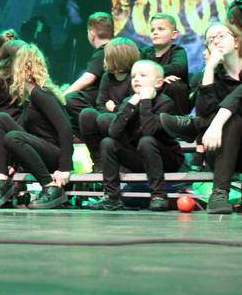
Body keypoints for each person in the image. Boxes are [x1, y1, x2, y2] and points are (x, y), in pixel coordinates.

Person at [160, 22, 242, 214]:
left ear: (237, 42)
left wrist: (214, 123)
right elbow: (205, 109)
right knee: (232, 118)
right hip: (223, 152)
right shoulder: (208, 76)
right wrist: (210, 68)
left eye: (221, 36)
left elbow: (240, 95)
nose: (215, 41)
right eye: (210, 40)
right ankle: (219, 194)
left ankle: (194, 126)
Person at [0, 43, 73, 209]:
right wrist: (12, 163)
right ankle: (2, 180)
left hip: (53, 154)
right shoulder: (29, 98)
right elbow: (24, 135)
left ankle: (50, 187)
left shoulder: (41, 93)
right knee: (0, 119)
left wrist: (65, 167)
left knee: (12, 137)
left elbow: (65, 128)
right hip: (38, 150)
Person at [87, 60, 183, 211]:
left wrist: (145, 100)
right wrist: (131, 103)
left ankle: (159, 195)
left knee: (146, 141)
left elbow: (149, 130)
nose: (136, 79)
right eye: (133, 76)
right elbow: (114, 132)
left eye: (142, 75)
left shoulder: (165, 102)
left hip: (166, 158)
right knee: (107, 142)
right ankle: (111, 197)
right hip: (140, 157)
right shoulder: (129, 101)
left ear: (158, 83)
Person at [78, 37, 139, 170]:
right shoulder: (107, 77)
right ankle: (98, 161)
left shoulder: (133, 77)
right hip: (107, 120)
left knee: (105, 119)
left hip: (127, 125)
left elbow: (130, 107)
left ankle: (123, 162)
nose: (104, 60)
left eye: (107, 57)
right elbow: (100, 104)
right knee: (87, 114)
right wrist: (110, 111)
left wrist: (114, 109)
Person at [63, 12, 113, 133]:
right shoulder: (113, 48)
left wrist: (62, 96)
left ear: (91, 33)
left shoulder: (103, 52)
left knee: (71, 99)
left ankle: (98, 127)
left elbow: (88, 78)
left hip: (104, 100)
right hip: (109, 98)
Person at [139, 13, 190, 114]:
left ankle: (178, 122)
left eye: (161, 29)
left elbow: (178, 67)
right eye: (152, 30)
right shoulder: (144, 52)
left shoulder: (177, 51)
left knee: (174, 85)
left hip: (173, 98)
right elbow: (138, 72)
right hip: (149, 92)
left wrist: (155, 77)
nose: (155, 33)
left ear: (174, 34)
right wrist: (159, 79)